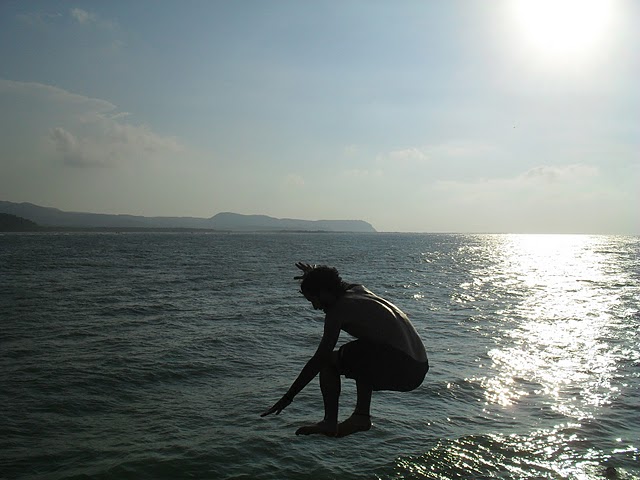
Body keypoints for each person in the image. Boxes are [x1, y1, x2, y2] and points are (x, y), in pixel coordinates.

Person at [261, 263, 428, 437]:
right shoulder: (357, 289)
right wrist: (312, 275)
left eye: (313, 300)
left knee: (330, 361)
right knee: (361, 349)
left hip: (404, 369)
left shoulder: (338, 311)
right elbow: (330, 283)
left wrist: (288, 397)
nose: (315, 307)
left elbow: (320, 358)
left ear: (324, 292)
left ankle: (338, 420)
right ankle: (358, 415)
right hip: (419, 366)